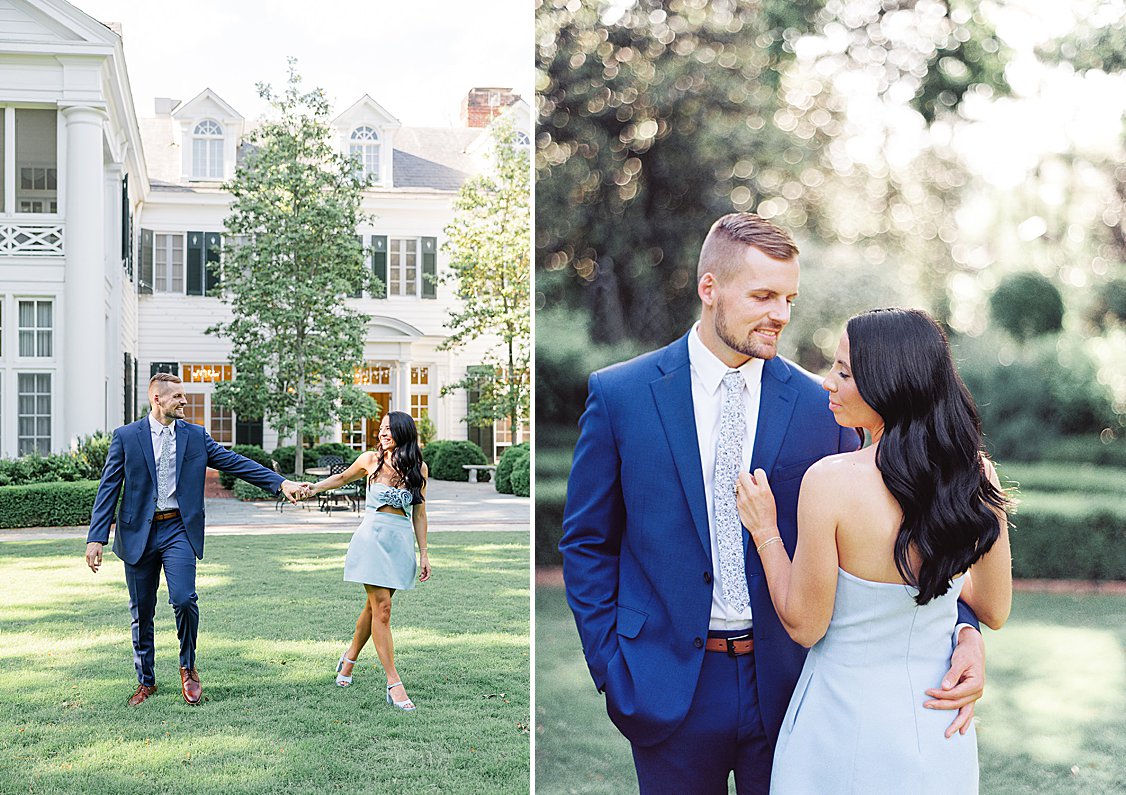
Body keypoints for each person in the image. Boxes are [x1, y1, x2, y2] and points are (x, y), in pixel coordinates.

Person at [559, 213, 987, 794]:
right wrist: (613, 667)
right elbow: (587, 542)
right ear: (709, 289)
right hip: (665, 685)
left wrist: (963, 631)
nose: (781, 315)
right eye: (763, 296)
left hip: (793, 684)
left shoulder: (825, 408)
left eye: (789, 297)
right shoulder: (621, 395)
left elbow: (906, 537)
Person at [736, 307, 1012, 793]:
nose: (827, 382)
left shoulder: (829, 482)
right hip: (937, 727)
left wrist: (765, 531)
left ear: (890, 384)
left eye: (843, 372)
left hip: (837, 725)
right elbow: (993, 608)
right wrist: (950, 601)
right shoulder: (976, 475)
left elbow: (804, 624)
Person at [86, 372, 306, 707]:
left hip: (178, 529)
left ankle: (188, 668)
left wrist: (279, 483)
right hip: (138, 534)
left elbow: (236, 463)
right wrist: (96, 538)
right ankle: (146, 682)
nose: (184, 402)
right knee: (141, 611)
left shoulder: (196, 437)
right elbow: (108, 489)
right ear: (156, 399)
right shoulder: (127, 437)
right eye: (177, 397)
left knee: (185, 599)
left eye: (184, 396)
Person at [302, 411, 431, 711]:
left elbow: (420, 514)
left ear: (404, 431)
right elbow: (343, 477)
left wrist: (424, 553)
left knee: (374, 609)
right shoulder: (370, 461)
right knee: (383, 609)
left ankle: (348, 659)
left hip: (399, 543)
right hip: (371, 538)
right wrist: (314, 488)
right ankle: (394, 683)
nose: (383, 433)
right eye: (381, 429)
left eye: (389, 428)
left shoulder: (418, 469)